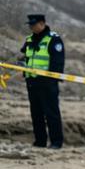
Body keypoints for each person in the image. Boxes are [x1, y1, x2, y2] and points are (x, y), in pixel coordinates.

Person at [19, 13, 65, 149]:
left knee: (52, 114)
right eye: (30, 25)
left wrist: (52, 79)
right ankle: (40, 141)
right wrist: (18, 65)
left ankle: (56, 142)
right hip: (32, 82)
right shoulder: (29, 39)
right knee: (36, 114)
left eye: (34, 25)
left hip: (47, 83)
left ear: (42, 24)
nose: (31, 27)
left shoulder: (53, 39)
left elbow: (58, 62)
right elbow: (24, 56)